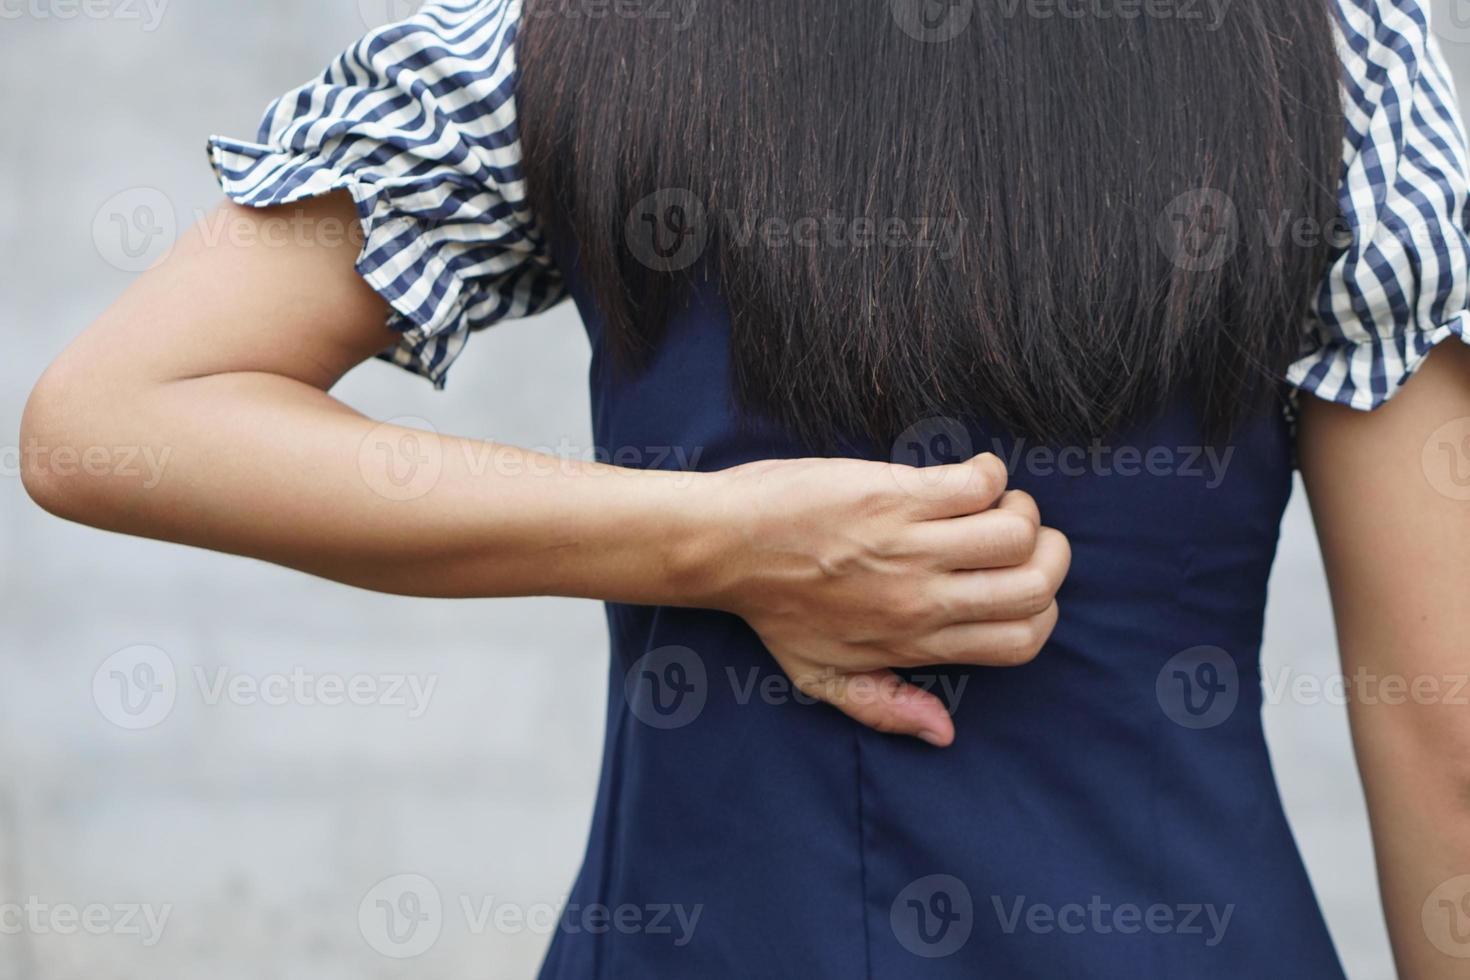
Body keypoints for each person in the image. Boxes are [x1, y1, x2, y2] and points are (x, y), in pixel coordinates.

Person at [19, 0, 1470, 975]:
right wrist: (733, 543)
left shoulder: (567, 35)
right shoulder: (1344, 55)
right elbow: (1445, 738)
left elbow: (117, 412)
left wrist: (699, 538)